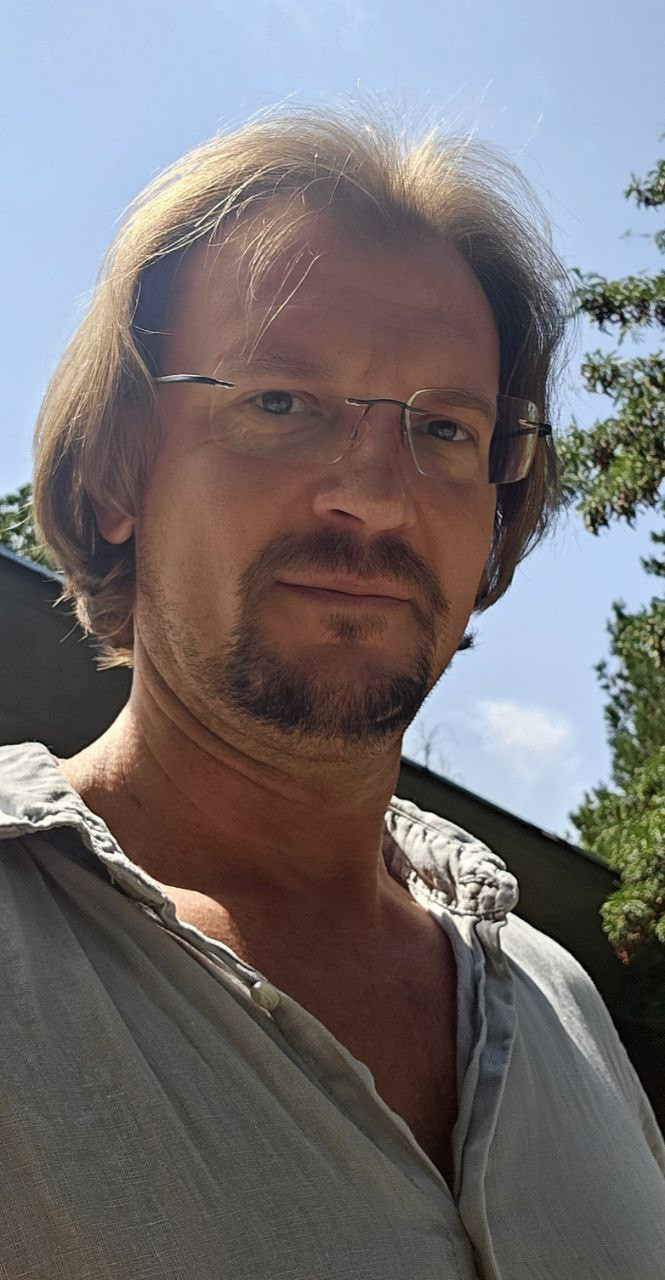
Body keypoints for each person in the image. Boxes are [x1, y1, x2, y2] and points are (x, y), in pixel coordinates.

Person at [1, 106, 663, 1279]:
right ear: (114, 474)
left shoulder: (555, 999)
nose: (376, 495)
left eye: (443, 428)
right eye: (279, 401)